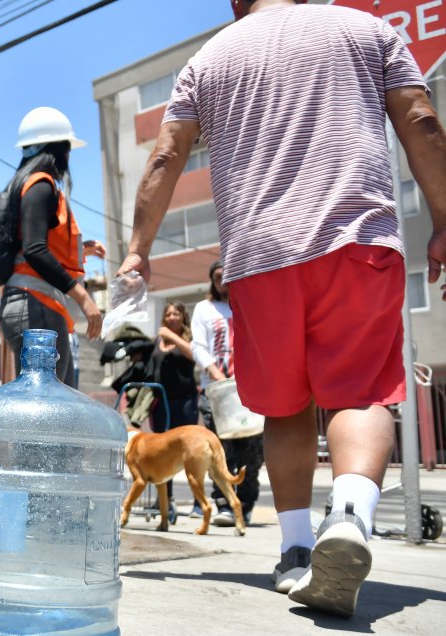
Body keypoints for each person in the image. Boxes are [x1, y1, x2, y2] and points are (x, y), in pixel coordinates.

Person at [115, 0, 446, 618]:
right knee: (360, 393)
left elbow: (165, 156)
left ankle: (296, 552)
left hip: (258, 257)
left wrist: (138, 250)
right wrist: (445, 218)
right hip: (356, 239)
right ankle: (349, 518)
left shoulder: (207, 61)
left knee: (285, 405)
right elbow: (420, 119)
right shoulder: (367, 30)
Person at [0, 106, 104, 387]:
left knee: (54, 401)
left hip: (33, 305)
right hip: (37, 306)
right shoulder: (40, 186)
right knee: (52, 405)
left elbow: (34, 246)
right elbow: (35, 250)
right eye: (67, 149)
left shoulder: (28, 185)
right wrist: (84, 298)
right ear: (57, 150)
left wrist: (83, 250)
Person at [191, 261, 264, 527]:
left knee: (252, 453)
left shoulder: (250, 305)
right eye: (217, 277)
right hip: (218, 393)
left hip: (250, 390)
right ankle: (223, 503)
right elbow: (198, 346)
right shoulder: (204, 308)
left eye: (227, 275)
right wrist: (217, 375)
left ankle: (245, 505)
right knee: (221, 451)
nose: (223, 281)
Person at [148, 301, 199, 517]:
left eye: (176, 314)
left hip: (184, 402)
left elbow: (194, 355)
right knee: (162, 453)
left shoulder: (190, 339)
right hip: (161, 403)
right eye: (168, 314)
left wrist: (173, 337)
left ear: (183, 317)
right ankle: (164, 500)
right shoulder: (157, 341)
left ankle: (199, 502)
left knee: (190, 452)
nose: (171, 317)